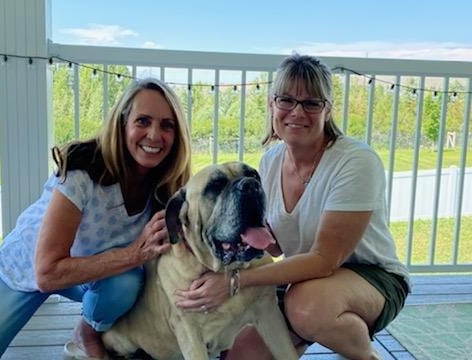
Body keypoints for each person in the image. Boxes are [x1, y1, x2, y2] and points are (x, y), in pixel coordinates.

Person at [175, 54, 410, 360]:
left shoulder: (356, 161)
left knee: (306, 307)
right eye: (286, 100)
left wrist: (233, 282)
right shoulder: (271, 161)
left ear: (327, 109)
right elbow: (273, 245)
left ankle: (362, 352)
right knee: (239, 351)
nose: (297, 112)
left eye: (311, 103)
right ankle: (320, 330)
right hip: (305, 281)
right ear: (272, 105)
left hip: (371, 279)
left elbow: (325, 260)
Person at [0, 78, 191, 359]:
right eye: (143, 121)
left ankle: (87, 332)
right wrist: (134, 254)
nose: (155, 135)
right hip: (26, 268)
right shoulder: (83, 169)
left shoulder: (168, 187)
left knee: (125, 283)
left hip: (90, 273)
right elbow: (47, 273)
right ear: (123, 125)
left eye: (167, 125)